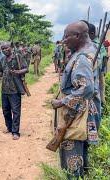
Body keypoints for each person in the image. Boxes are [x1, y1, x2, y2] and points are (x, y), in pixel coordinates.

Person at [51, 21, 98, 178]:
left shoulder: (82, 58)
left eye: (66, 36)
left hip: (75, 118)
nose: (64, 40)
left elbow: (87, 88)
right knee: (80, 160)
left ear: (77, 36)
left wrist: (62, 102)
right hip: (80, 115)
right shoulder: (85, 52)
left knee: (72, 162)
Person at [0, 42, 28, 140]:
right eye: (3, 49)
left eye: (6, 48)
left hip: (15, 89)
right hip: (4, 89)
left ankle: (15, 131)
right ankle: (9, 127)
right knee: (5, 110)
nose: (5, 50)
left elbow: (26, 69)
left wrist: (18, 72)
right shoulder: (2, 59)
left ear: (11, 48)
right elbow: (1, 71)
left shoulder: (18, 57)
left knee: (16, 111)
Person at [87, 22, 106, 130]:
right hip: (97, 77)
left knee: (96, 103)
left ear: (92, 33)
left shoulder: (95, 46)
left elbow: (101, 60)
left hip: (98, 77)